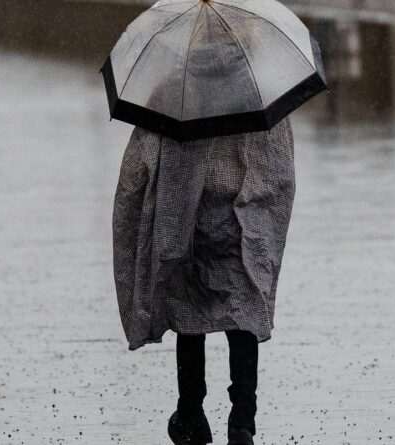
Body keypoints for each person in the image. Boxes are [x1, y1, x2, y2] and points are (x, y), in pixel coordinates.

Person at [111, 101, 296, 445]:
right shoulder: (259, 92)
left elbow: (141, 162)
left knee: (187, 313)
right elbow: (278, 170)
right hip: (242, 221)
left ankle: (191, 412)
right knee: (242, 312)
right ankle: (242, 419)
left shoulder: (175, 87)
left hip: (188, 215)